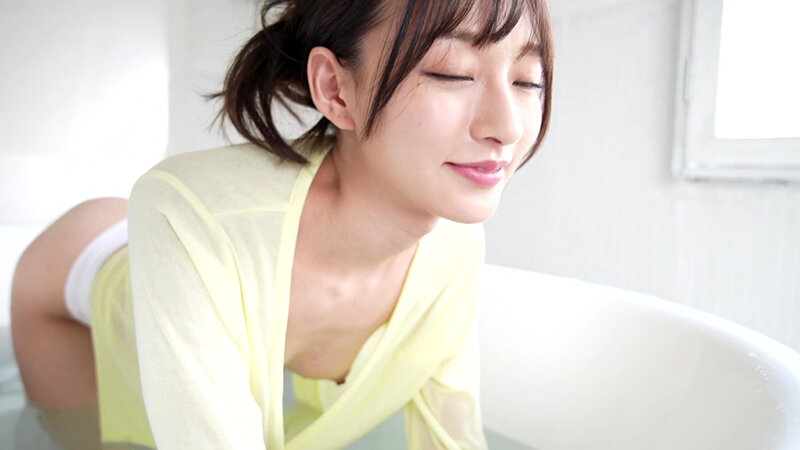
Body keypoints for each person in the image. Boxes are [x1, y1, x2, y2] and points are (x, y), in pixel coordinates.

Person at [10, 0, 554, 448]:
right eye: (452, 73)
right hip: (73, 274)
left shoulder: (456, 245)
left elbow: (452, 438)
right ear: (335, 89)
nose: (506, 126)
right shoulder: (182, 212)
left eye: (527, 81)